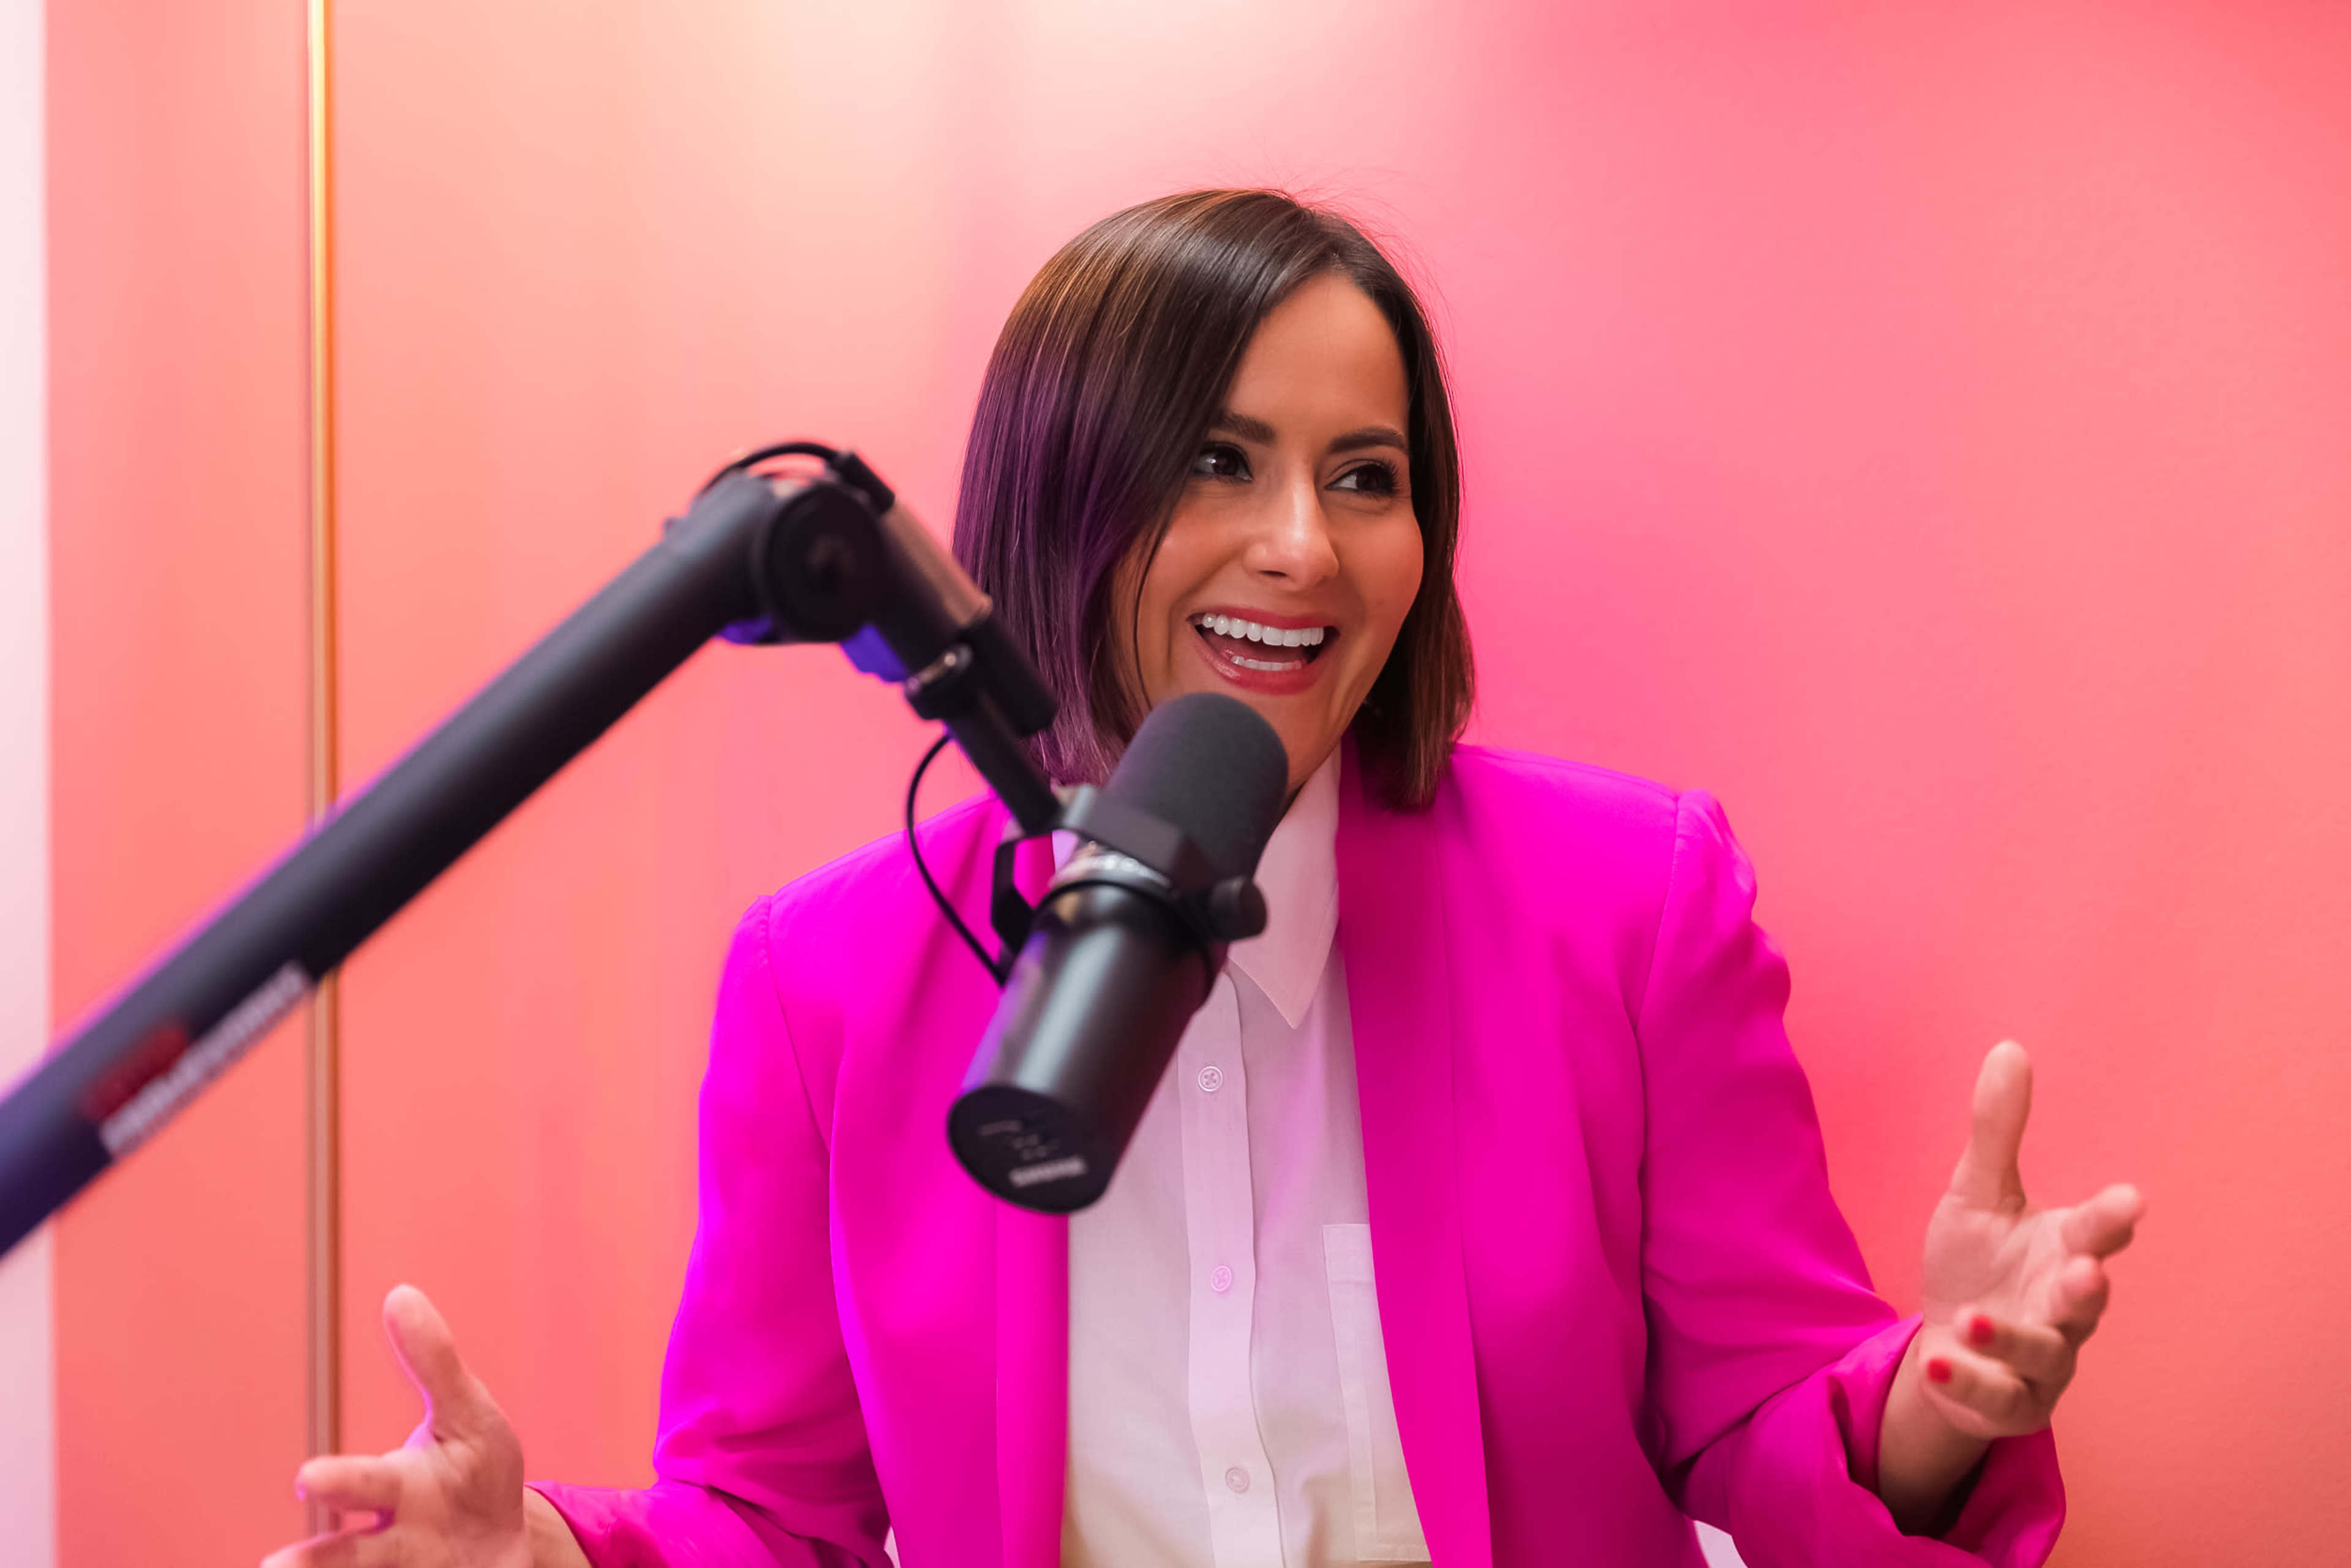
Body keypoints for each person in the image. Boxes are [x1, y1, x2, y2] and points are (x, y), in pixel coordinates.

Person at [262, 190, 2143, 1568]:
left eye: (1370, 473)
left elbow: (1757, 1418)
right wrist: (554, 1557)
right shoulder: (826, 978)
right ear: (1064, 495)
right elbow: (777, 1514)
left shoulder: (1628, 900)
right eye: (1223, 461)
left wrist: (1931, 1402)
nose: (1303, 548)